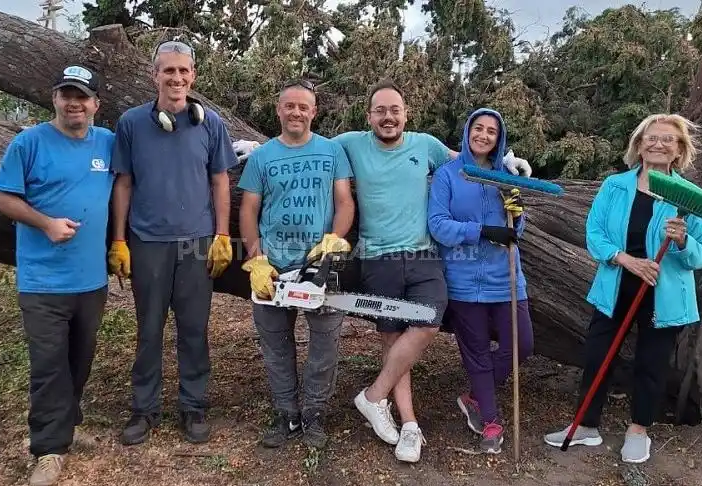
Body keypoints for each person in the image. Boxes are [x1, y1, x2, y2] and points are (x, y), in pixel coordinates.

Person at [543, 113, 702, 464]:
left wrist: (683, 241)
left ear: (679, 149)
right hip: (615, 285)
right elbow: (595, 233)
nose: (658, 144)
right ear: (639, 145)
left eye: (667, 139)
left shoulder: (691, 199)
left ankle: (638, 430)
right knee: (597, 356)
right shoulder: (615, 186)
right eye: (651, 137)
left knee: (651, 363)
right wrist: (625, 260)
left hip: (663, 294)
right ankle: (586, 426)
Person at [0, 64, 114, 486]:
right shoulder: (29, 142)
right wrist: (45, 223)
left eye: (82, 96)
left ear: (96, 104)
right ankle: (48, 449)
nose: (74, 103)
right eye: (67, 95)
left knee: (79, 360)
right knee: (48, 365)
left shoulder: (107, 143)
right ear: (55, 99)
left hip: (91, 279)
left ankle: (67, 425)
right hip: (43, 281)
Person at [108, 40, 238, 446]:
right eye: (169, 70)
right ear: (155, 76)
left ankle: (193, 406)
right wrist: (119, 239)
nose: (176, 78)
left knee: (194, 329)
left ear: (193, 76)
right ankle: (144, 409)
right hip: (147, 241)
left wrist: (221, 235)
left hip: (197, 242)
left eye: (183, 70)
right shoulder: (131, 123)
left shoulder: (210, 123)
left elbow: (220, 180)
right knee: (148, 330)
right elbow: (123, 183)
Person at [330, 80, 456, 463]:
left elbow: (464, 161)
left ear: (406, 114)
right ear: (369, 116)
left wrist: (505, 161)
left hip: (422, 255)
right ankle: (410, 425)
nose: (388, 117)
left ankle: (373, 396)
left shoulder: (425, 145)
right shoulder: (352, 143)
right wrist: (257, 148)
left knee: (428, 323)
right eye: (380, 111)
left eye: (394, 110)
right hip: (377, 258)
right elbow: (308, 147)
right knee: (393, 339)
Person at [238, 79, 355, 450]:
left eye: (303, 106)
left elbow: (345, 202)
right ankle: (286, 412)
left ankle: (315, 412)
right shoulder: (261, 157)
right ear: (278, 110)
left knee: (325, 345)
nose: (296, 112)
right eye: (289, 106)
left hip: (319, 264)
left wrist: (334, 238)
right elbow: (249, 209)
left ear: (313, 111)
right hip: (273, 266)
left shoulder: (332, 151)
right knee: (276, 346)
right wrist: (256, 258)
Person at [427, 108, 534, 455]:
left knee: (522, 345)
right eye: (478, 128)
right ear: (468, 131)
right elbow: (438, 225)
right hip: (463, 278)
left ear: (499, 138)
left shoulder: (506, 176)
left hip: (506, 277)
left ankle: (475, 395)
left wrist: (517, 215)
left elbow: (516, 230)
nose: (483, 135)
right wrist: (482, 231)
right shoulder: (448, 175)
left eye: (491, 131)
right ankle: (489, 419)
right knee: (477, 354)